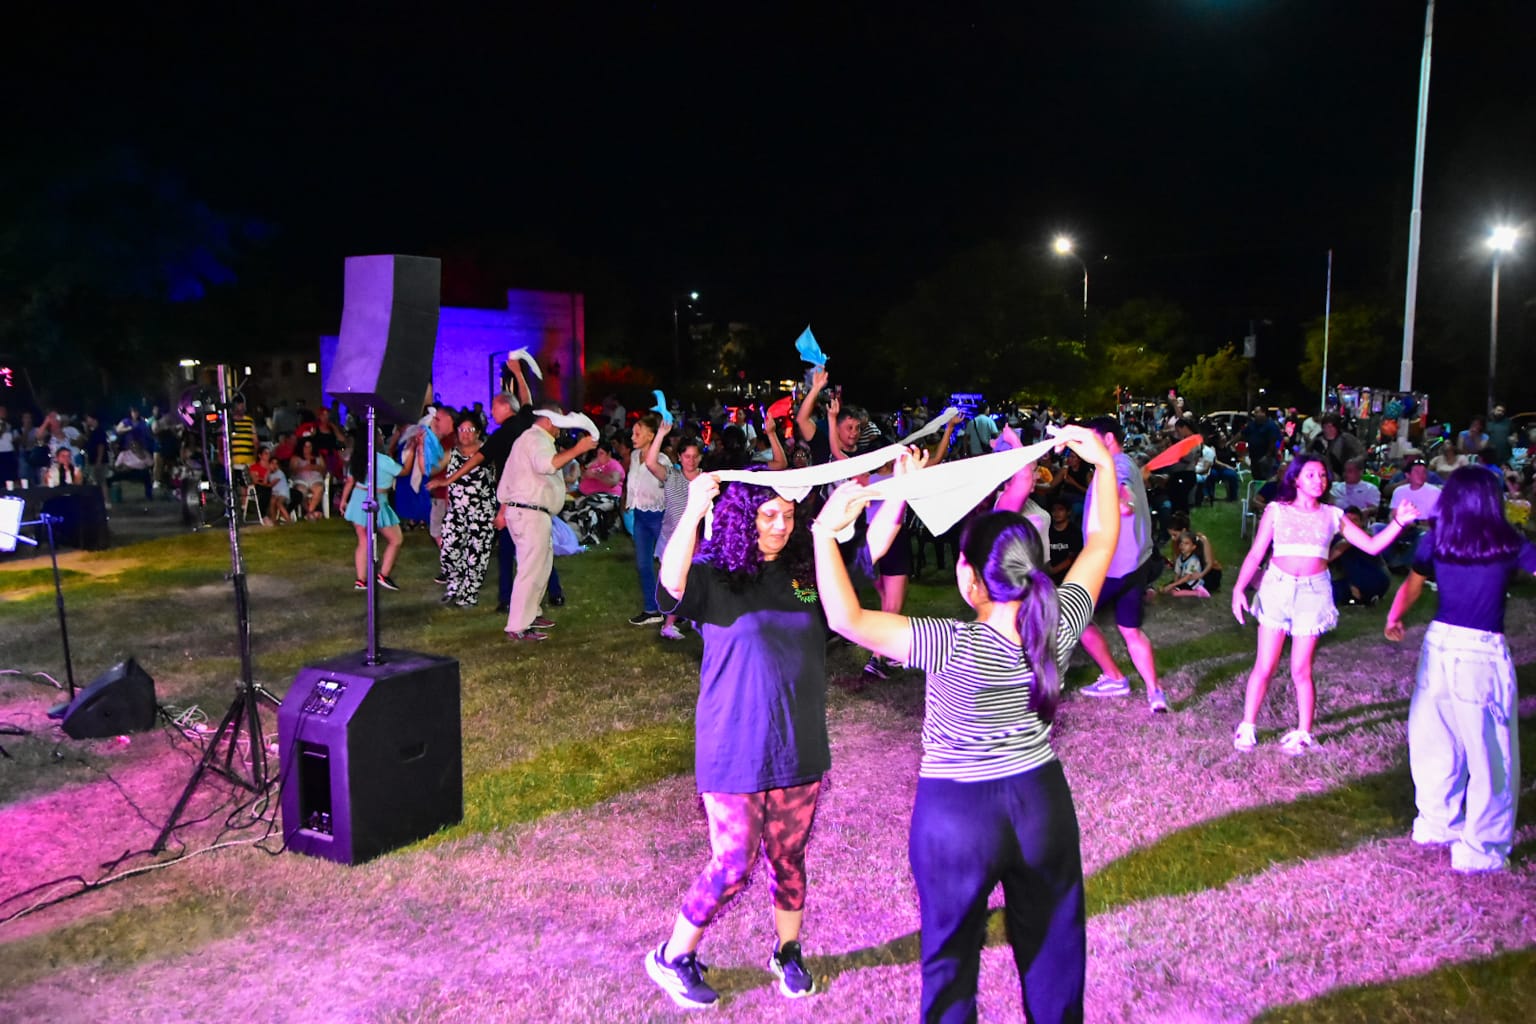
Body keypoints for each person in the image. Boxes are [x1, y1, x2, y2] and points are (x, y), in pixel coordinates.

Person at [810, 426, 1121, 1023]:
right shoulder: (1060, 623)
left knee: (950, 963)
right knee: (1055, 949)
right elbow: (1102, 537)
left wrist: (826, 531)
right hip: (1040, 801)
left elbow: (846, 617)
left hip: (956, 815)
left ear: (969, 579)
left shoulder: (947, 643)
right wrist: (1103, 465)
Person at [643, 472, 830, 1009]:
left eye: (787, 516)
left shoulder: (802, 580)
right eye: (766, 515)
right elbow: (669, 590)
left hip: (799, 745)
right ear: (742, 517)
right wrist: (693, 508)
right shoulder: (716, 577)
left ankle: (788, 951)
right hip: (734, 744)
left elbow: (838, 615)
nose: (778, 525)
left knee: (789, 855)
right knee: (732, 862)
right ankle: (672, 956)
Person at [1384, 466, 1534, 873]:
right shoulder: (1508, 542)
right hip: (1480, 652)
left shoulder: (1437, 539)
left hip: (1438, 646)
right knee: (1490, 753)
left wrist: (1395, 616)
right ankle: (1480, 849)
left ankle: (1436, 823)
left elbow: (1413, 583)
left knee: (1435, 739)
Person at [1231, 454, 1419, 754]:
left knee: (1301, 669)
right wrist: (1239, 588)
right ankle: (1247, 726)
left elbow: (1371, 545)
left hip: (1313, 593)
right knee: (1264, 664)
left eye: (1322, 475)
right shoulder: (1277, 511)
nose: (1318, 480)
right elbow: (1256, 554)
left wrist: (1398, 523)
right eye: (1311, 475)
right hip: (1277, 587)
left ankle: (1304, 732)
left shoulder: (1332, 515)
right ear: (1295, 479)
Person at [1075, 416, 1166, 713]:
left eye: (1091, 438)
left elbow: (1122, 488)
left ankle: (1115, 678)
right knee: (1130, 630)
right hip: (1135, 563)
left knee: (1072, 619)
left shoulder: (1115, 466)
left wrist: (1124, 501)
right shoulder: (1120, 462)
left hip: (1112, 567)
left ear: (1109, 438)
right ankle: (1155, 693)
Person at [498, 406, 595, 640]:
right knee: (531, 569)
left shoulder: (532, 439)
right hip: (529, 513)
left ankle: (531, 614)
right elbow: (547, 465)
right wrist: (577, 450)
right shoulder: (535, 439)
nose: (561, 428)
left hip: (531, 513)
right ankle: (518, 625)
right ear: (550, 421)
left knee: (540, 566)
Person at [339, 425, 412, 591]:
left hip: (358, 499)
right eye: (379, 434)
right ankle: (383, 575)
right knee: (396, 539)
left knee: (363, 541)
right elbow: (404, 471)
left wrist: (344, 501)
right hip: (376, 500)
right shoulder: (382, 460)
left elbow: (350, 481)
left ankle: (361, 579)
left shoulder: (357, 459)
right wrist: (413, 450)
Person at [438, 413, 497, 607]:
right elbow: (431, 469)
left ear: (478, 432)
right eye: (462, 430)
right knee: (449, 551)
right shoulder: (452, 454)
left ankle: (469, 594)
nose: (465, 434)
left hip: (481, 512)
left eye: (470, 430)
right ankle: (454, 585)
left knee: (476, 555)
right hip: (456, 512)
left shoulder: (488, 452)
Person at [626, 413, 671, 626]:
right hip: (640, 515)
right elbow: (632, 481)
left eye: (638, 433)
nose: (633, 437)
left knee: (669, 564)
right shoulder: (634, 456)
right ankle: (652, 609)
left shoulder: (662, 460)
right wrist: (628, 502)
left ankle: (677, 609)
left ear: (651, 436)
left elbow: (667, 484)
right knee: (643, 564)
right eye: (633, 433)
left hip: (658, 516)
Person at [1329, 506, 1388, 606]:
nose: (1351, 524)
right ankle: (1355, 596)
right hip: (1343, 579)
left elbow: (1342, 546)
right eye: (1348, 520)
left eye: (1355, 520)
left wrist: (1325, 560)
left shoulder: (1367, 536)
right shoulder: (1333, 537)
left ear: (1361, 523)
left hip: (1372, 576)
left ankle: (1363, 595)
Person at [1159, 531, 1212, 597]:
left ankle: (1199, 592)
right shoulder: (1179, 558)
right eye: (1181, 543)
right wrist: (1174, 584)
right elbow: (1177, 574)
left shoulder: (1194, 561)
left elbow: (1187, 577)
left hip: (1191, 582)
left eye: (1186, 543)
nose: (1182, 545)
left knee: (1175, 593)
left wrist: (1173, 585)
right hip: (1183, 580)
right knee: (1163, 590)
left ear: (1193, 547)